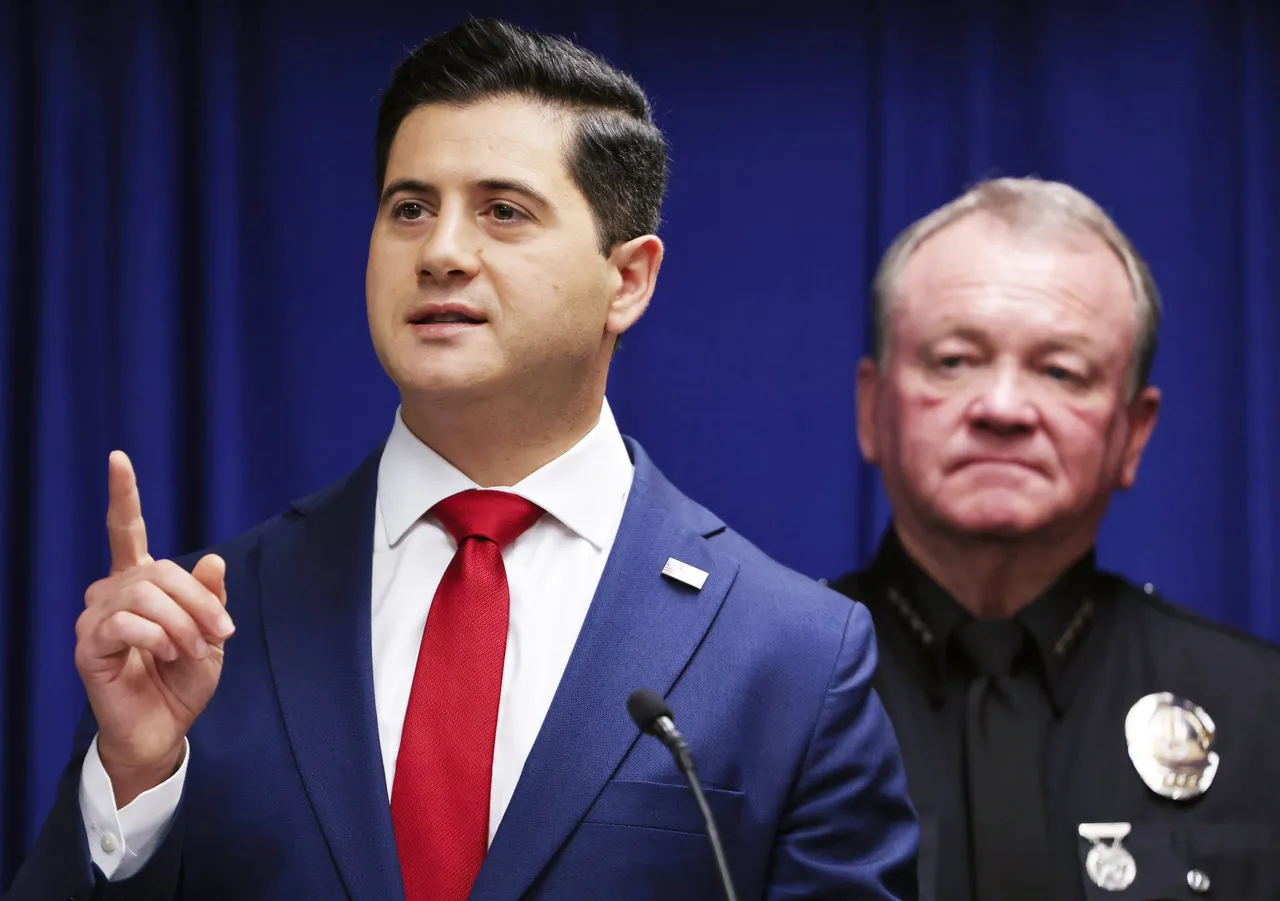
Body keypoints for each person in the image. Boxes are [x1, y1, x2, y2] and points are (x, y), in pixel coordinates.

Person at [6, 18, 919, 901]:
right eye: (410, 208)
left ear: (628, 279)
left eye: (503, 211)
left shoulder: (791, 655)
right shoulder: (209, 620)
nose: (441, 252)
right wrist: (133, 777)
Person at [828, 176, 1280, 900]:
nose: (1003, 407)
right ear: (872, 406)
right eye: (954, 361)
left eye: (1061, 371)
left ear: (1132, 433)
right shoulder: (762, 700)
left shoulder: (1264, 716)